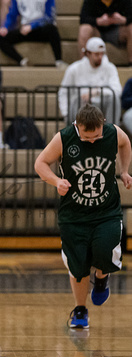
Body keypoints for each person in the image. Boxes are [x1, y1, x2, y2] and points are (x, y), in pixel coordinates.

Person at [34, 104, 131, 329]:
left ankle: (101, 277)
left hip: (106, 211)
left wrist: (124, 170)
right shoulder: (64, 138)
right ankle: (80, 310)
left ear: (103, 124)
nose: (93, 141)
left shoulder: (113, 132)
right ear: (77, 127)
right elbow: (40, 163)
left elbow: (125, 143)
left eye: (97, 136)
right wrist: (56, 181)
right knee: (78, 266)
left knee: (105, 251)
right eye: (88, 138)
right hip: (74, 214)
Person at [58, 37, 122, 125]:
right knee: (79, 101)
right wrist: (65, 114)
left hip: (102, 106)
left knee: (114, 98)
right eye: (96, 54)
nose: (100, 57)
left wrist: (96, 92)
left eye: (102, 54)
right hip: (81, 107)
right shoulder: (74, 69)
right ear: (88, 53)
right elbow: (64, 92)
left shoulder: (110, 68)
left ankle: (111, 133)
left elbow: (117, 90)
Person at [0, 0, 67, 69]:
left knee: (52, 29)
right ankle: (22, 61)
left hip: (41, 29)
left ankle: (59, 61)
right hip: (25, 30)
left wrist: (32, 26)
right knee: (0, 38)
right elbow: (12, 14)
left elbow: (49, 17)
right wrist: (5, 27)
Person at [78, 0, 132, 64]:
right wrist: (98, 21)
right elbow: (83, 18)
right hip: (97, 32)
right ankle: (84, 64)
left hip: (117, 32)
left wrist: (123, 20)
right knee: (84, 29)